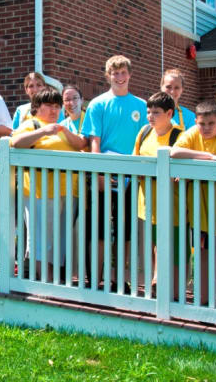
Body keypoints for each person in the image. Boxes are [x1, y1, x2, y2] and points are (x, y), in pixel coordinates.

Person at [80, 54, 147, 288]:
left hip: (130, 178)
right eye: (114, 73)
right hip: (104, 175)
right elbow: (94, 141)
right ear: (108, 76)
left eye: (123, 72)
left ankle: (119, 279)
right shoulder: (98, 104)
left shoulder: (141, 106)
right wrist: (99, 173)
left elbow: (143, 141)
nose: (119, 77)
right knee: (98, 228)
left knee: (125, 230)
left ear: (130, 74)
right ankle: (95, 279)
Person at [171, 101, 216, 307]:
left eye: (211, 123)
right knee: (202, 255)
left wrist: (191, 171)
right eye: (202, 124)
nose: (206, 128)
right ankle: (203, 300)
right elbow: (174, 152)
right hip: (199, 213)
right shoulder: (193, 133)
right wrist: (208, 157)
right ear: (196, 122)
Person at [11, 88, 85, 281]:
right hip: (39, 191)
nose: (54, 110)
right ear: (37, 107)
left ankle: (53, 276)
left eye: (57, 106)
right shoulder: (32, 124)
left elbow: (80, 145)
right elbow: (15, 142)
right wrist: (43, 131)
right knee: (39, 236)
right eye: (49, 105)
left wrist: (65, 131)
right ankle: (46, 277)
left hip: (66, 190)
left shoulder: (62, 127)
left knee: (58, 236)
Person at [132, 91, 184, 298]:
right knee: (152, 247)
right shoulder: (144, 132)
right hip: (146, 203)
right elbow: (135, 160)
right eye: (148, 112)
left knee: (173, 250)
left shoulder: (179, 135)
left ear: (169, 113)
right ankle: (155, 287)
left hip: (173, 205)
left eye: (156, 112)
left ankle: (175, 294)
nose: (150, 117)